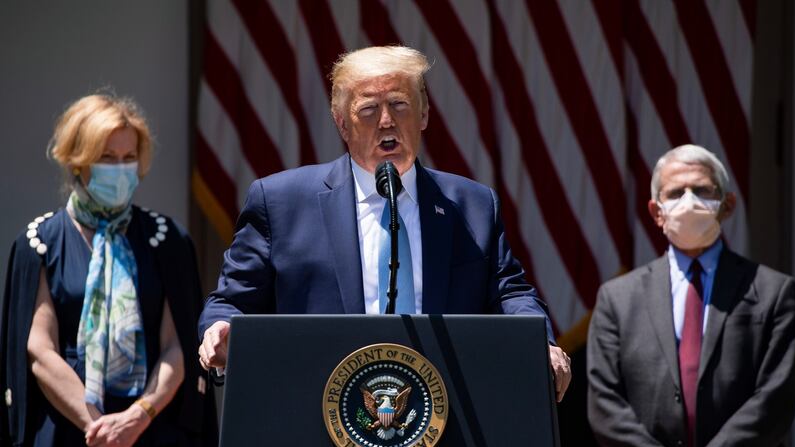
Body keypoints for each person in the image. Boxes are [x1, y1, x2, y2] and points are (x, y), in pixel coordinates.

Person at [197, 45, 571, 399]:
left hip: (446, 411)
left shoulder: (471, 204)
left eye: (399, 104)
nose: (387, 121)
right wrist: (220, 330)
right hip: (320, 415)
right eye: (368, 110)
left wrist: (539, 339)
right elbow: (231, 301)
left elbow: (509, 291)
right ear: (343, 124)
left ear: (424, 114)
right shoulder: (280, 202)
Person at [0, 94, 219, 447]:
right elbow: (39, 351)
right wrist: (104, 435)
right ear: (77, 161)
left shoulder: (166, 240)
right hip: (69, 440)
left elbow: (179, 347)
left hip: (154, 436)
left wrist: (136, 420)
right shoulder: (39, 242)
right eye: (106, 157)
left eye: (128, 157)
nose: (119, 168)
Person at [587, 144, 795, 447]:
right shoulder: (617, 298)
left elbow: (777, 395)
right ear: (655, 211)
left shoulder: (773, 291)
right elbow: (605, 402)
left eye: (703, 191)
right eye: (675, 193)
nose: (689, 201)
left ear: (727, 205)